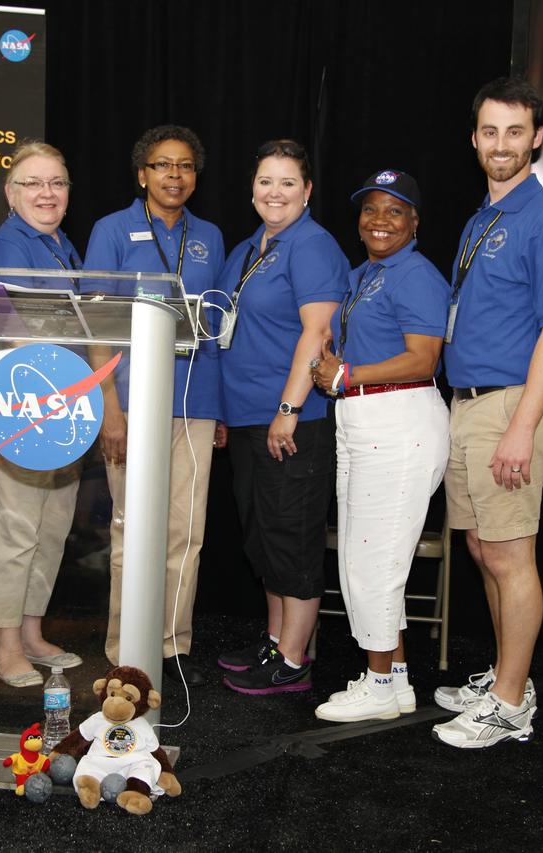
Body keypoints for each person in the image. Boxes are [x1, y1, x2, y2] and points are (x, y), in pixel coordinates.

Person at [431, 78, 543, 748]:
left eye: (515, 132)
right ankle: (504, 676)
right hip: (469, 407)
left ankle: (510, 702)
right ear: (474, 139)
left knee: (509, 553)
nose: (501, 145)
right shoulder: (482, 217)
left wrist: (522, 425)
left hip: (511, 407)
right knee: (482, 547)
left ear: (538, 138)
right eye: (490, 132)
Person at [81, 126, 227, 687]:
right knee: (131, 527)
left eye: (185, 166)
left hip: (195, 402)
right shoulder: (111, 230)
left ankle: (171, 642)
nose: (175, 176)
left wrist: (218, 413)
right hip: (132, 404)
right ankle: (125, 643)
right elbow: (95, 319)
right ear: (142, 174)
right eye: (163, 165)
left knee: (185, 530)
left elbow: (214, 326)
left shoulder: (209, 236)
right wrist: (109, 408)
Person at [307, 170, 450, 723]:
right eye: (371, 210)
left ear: (415, 222)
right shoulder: (365, 273)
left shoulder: (415, 274)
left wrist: (347, 373)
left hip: (400, 419)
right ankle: (396, 680)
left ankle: (378, 684)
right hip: (364, 421)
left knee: (374, 567)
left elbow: (424, 359)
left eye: (395, 211)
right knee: (367, 560)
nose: (380, 221)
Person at [216, 139, 349, 695]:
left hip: (294, 419)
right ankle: (275, 643)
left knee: (291, 537)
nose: (275, 192)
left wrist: (288, 410)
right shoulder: (249, 248)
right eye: (266, 181)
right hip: (247, 418)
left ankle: (293, 662)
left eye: (288, 182)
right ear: (252, 191)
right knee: (263, 537)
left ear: (308, 191)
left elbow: (316, 335)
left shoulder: (312, 246)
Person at [0, 141, 85, 687]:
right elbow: (3, 329)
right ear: (10, 193)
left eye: (57, 183)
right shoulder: (6, 246)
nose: (47, 193)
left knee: (50, 529)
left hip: (62, 408)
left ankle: (32, 632)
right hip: (23, 406)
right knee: (12, 532)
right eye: (33, 183)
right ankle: (5, 648)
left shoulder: (61, 243)